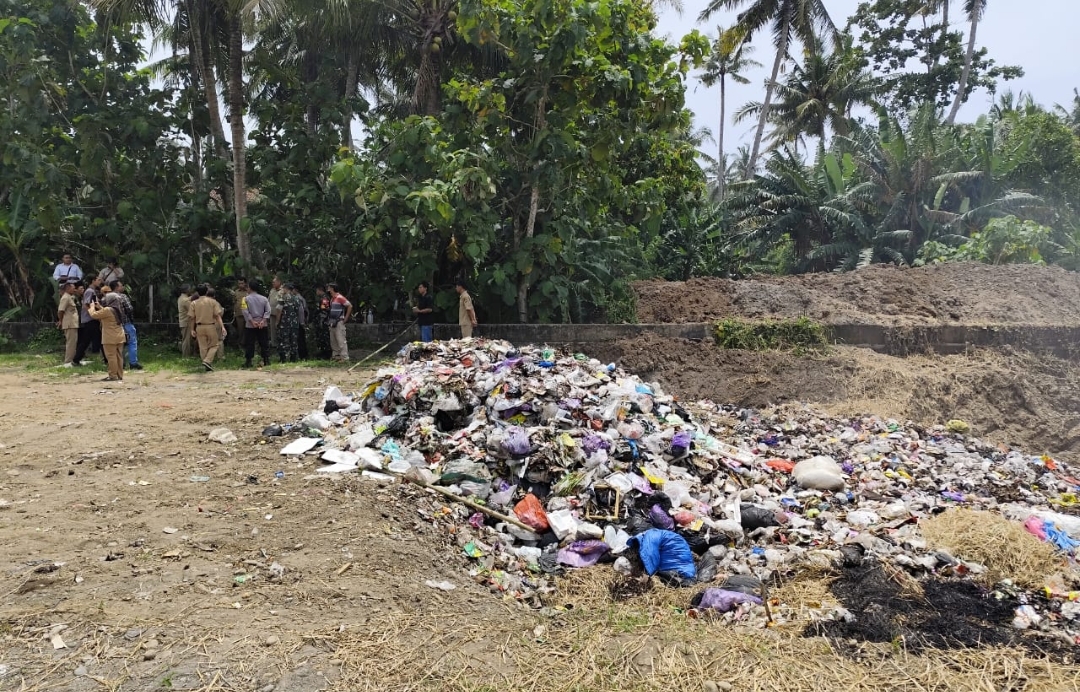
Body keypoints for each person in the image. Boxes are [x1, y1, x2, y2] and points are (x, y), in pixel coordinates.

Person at [90, 293, 126, 382]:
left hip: (110, 337)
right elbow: (108, 315)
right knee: (119, 356)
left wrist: (91, 308)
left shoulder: (107, 310)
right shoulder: (117, 309)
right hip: (120, 336)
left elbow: (94, 315)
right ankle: (119, 375)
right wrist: (100, 307)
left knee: (111, 356)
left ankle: (113, 375)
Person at [191, 284, 226, 371]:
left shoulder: (194, 303)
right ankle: (207, 361)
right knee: (215, 345)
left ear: (197, 293)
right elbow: (217, 316)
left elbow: (192, 318)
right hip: (210, 325)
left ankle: (206, 363)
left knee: (203, 347)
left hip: (199, 327)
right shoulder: (212, 302)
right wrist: (222, 327)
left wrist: (192, 329)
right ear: (207, 291)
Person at [109, 280, 142, 370]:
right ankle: (133, 362)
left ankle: (121, 363)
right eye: (121, 285)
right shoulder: (122, 296)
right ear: (116, 287)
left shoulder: (108, 297)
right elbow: (129, 308)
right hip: (126, 322)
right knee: (132, 342)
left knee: (119, 344)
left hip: (114, 324)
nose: (122, 287)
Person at [72, 276, 105, 366]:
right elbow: (86, 305)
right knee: (90, 340)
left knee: (91, 340)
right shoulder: (90, 291)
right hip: (90, 319)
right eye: (98, 280)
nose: (100, 281)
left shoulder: (92, 291)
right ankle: (76, 359)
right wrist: (94, 315)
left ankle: (76, 359)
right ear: (93, 281)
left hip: (91, 319)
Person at [242, 279, 272, 368]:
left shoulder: (245, 299)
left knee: (250, 343)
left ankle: (248, 361)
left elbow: (245, 311)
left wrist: (252, 321)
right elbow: (268, 310)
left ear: (249, 288)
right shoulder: (264, 298)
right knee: (264, 342)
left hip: (250, 325)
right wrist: (263, 320)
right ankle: (266, 359)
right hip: (262, 324)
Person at [275, 283, 302, 363]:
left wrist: (277, 322)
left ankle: (284, 358)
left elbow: (279, 310)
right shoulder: (297, 298)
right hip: (294, 323)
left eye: (283, 288)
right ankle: (293, 358)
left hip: (285, 323)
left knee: (284, 340)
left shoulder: (282, 298)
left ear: (286, 289)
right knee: (293, 341)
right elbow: (299, 311)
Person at [56, 282, 81, 367]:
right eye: (73, 287)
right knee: (71, 343)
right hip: (69, 323)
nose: (74, 289)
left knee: (73, 342)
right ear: (68, 288)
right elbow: (60, 311)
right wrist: (60, 320)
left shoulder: (70, 297)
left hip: (73, 323)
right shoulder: (65, 298)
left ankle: (73, 360)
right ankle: (68, 361)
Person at [326, 283, 352, 362]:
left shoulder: (340, 297)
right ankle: (336, 356)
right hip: (332, 321)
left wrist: (345, 318)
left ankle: (344, 357)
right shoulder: (332, 298)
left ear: (332, 288)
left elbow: (349, 305)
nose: (328, 289)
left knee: (341, 339)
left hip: (339, 321)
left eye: (329, 288)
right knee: (333, 340)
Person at [313, 286, 332, 359]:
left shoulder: (324, 298)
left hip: (324, 321)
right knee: (320, 338)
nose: (316, 292)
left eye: (317, 290)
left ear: (320, 290)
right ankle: (322, 352)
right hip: (319, 321)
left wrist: (321, 320)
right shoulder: (321, 298)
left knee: (324, 338)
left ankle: (327, 354)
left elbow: (324, 310)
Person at [177, 284, 194, 357]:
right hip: (186, 322)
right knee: (187, 340)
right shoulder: (185, 300)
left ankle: (186, 354)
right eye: (189, 289)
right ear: (187, 290)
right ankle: (186, 356)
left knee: (186, 339)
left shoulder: (181, 298)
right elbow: (192, 309)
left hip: (183, 321)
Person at [268, 276, 283, 350]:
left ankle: (281, 345)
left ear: (279, 282)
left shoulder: (282, 291)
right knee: (272, 330)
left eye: (274, 282)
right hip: (271, 313)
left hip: (280, 314)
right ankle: (274, 344)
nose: (273, 283)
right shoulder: (272, 290)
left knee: (280, 329)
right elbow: (269, 300)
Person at [232, 277, 248, 349]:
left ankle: (246, 344)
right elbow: (234, 301)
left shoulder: (248, 292)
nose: (240, 285)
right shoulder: (236, 292)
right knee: (240, 330)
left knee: (247, 329)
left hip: (248, 314)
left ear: (245, 284)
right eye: (239, 283)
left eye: (242, 283)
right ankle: (240, 344)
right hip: (239, 314)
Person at [295, 285, 309, 360]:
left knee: (300, 339)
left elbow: (302, 312)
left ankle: (302, 355)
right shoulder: (301, 298)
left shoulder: (298, 299)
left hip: (299, 322)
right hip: (301, 321)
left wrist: (302, 322)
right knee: (301, 339)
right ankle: (303, 355)